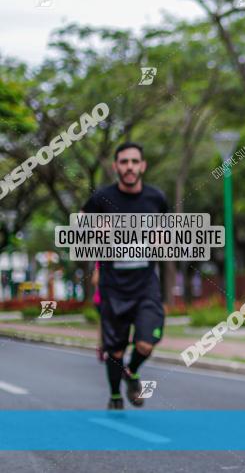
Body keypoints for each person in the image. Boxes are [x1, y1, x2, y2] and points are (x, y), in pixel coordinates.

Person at [81, 142, 169, 410]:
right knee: (115, 351)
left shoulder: (156, 198)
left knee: (146, 343)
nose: (129, 167)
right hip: (113, 287)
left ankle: (132, 372)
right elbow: (78, 229)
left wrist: (161, 239)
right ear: (116, 167)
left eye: (134, 162)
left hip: (145, 287)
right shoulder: (100, 199)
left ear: (142, 166)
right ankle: (115, 396)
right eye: (124, 162)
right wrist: (95, 231)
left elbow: (169, 235)